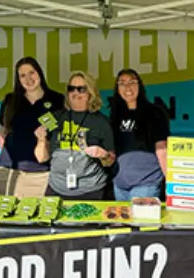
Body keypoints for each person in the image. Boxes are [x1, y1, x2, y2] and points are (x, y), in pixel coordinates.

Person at [34, 71, 115, 201]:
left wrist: (103, 155)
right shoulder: (54, 117)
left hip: (91, 190)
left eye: (81, 89)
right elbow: (41, 158)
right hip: (56, 188)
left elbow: (109, 162)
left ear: (90, 93)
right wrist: (41, 139)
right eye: (71, 89)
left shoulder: (102, 122)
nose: (75, 93)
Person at [0, 57, 65, 197]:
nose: (28, 79)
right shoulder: (10, 101)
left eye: (31, 72)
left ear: (39, 73)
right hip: (12, 171)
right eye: (22, 75)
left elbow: (61, 134)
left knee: (42, 215)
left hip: (44, 172)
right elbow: (2, 132)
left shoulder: (57, 100)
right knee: (12, 217)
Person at [109, 69, 169, 202]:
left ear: (140, 86)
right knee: (123, 223)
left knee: (141, 223)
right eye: (122, 83)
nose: (127, 87)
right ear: (117, 89)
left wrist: (171, 183)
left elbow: (162, 149)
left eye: (132, 82)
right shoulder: (115, 115)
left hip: (146, 184)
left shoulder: (154, 112)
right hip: (120, 185)